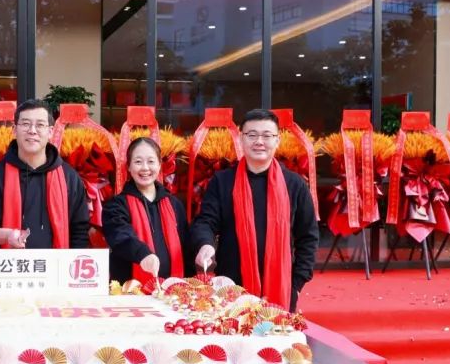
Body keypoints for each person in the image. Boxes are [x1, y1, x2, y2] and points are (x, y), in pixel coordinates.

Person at [190, 108, 319, 311]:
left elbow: (308, 237)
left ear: (277, 141)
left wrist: (297, 284)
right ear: (241, 139)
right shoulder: (222, 181)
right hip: (231, 288)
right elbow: (205, 221)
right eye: (252, 135)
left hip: (282, 289)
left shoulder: (294, 184)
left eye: (267, 135)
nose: (259, 141)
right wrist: (205, 244)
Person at [0, 99, 90, 249]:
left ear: (51, 132)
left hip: (56, 263)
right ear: (14, 130)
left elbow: (79, 231)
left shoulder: (69, 178)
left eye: (40, 125)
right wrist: (7, 236)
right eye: (25, 124)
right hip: (6, 263)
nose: (32, 130)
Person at [102, 137, 190, 283]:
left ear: (159, 165)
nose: (145, 168)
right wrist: (142, 254)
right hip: (131, 291)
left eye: (151, 161)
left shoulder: (174, 204)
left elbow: (186, 247)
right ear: (128, 166)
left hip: (173, 291)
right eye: (138, 162)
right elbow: (121, 236)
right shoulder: (116, 206)